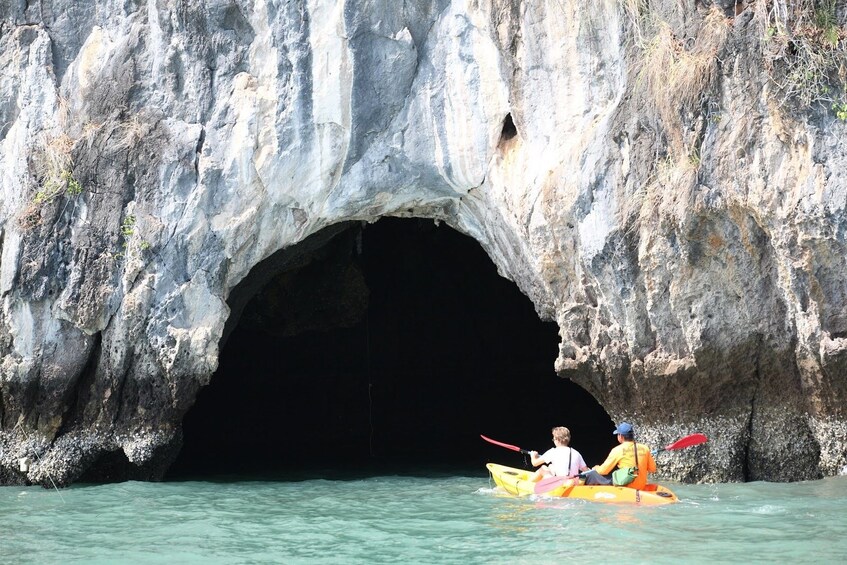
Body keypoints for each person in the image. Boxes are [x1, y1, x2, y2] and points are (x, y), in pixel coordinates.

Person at [583, 422, 656, 489]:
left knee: (592, 474)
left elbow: (604, 471)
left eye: (617, 434)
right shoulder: (645, 448)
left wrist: (596, 468)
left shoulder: (617, 450)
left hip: (626, 485)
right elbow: (652, 469)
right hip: (641, 485)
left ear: (621, 436)